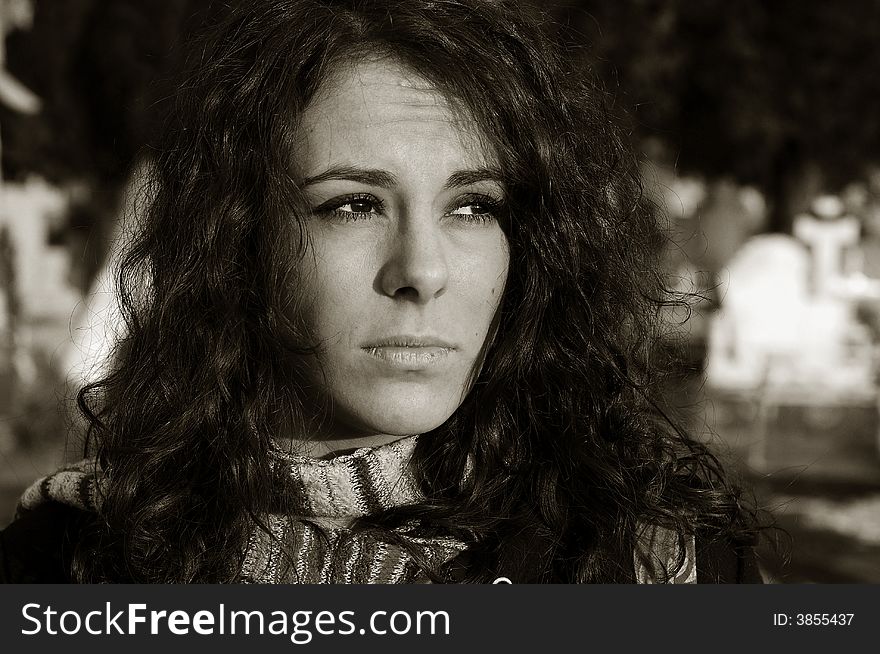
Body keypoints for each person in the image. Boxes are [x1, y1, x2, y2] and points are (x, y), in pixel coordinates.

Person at [0, 0, 763, 583]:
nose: (423, 272)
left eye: (472, 207)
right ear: (240, 241)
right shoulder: (73, 561)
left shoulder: (651, 564)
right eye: (353, 205)